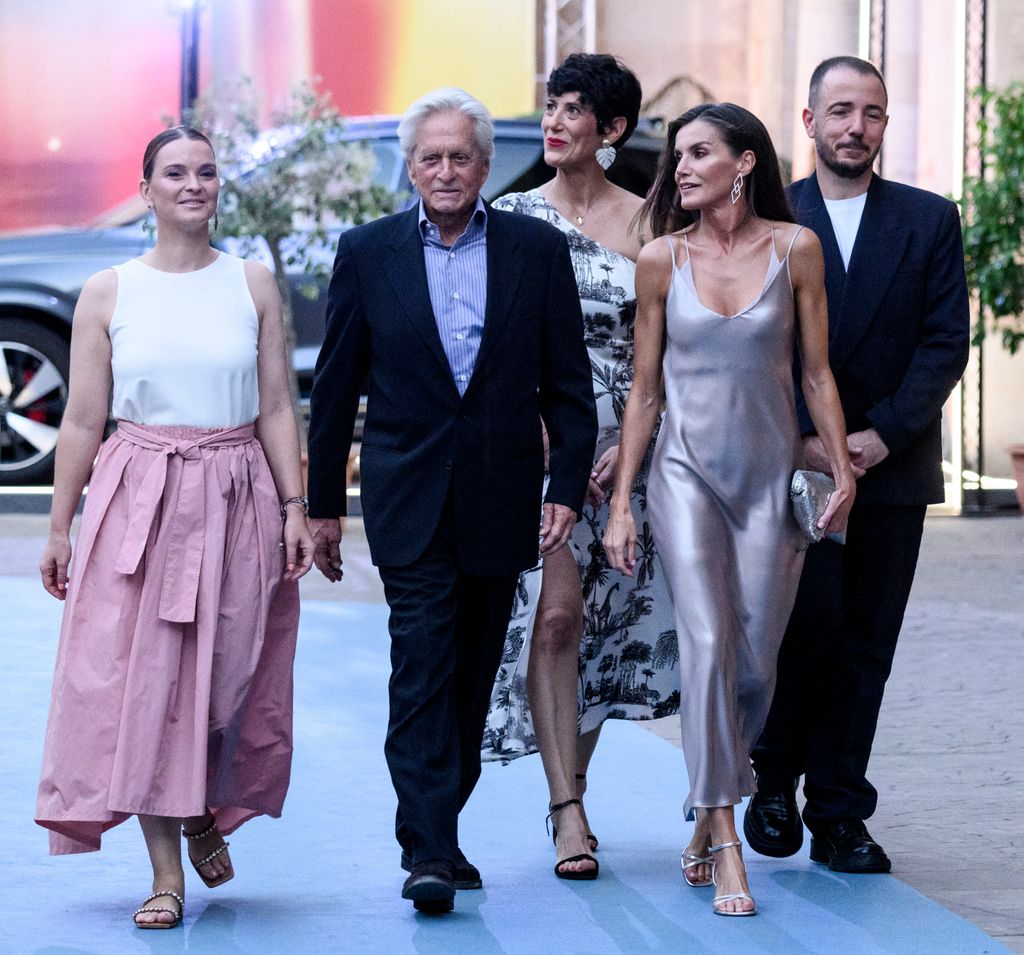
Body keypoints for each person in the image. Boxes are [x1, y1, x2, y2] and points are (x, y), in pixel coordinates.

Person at [306, 87, 596, 914]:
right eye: (429, 157)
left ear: (482, 165)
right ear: (410, 165)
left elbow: (569, 387)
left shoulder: (536, 252)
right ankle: (427, 847)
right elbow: (335, 390)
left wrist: (566, 489)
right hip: (408, 497)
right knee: (423, 666)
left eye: (460, 156)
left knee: (473, 677)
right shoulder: (368, 252)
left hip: (503, 497)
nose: (444, 170)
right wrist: (323, 506)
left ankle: (443, 816)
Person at [35, 126, 314, 930]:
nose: (194, 184)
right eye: (176, 173)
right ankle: (165, 873)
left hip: (236, 494)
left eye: (206, 172)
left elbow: (272, 408)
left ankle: (200, 807)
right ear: (148, 188)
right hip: (140, 496)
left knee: (231, 678)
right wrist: (61, 526)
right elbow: (84, 418)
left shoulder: (252, 284)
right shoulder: (109, 290)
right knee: (146, 686)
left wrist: (294, 507)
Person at [604, 102, 856, 916]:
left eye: (699, 152)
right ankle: (724, 838)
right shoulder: (659, 259)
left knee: (754, 665)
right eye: (678, 155)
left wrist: (842, 463)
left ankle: (709, 799)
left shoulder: (795, 249)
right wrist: (621, 502)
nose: (680, 167)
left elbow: (815, 374)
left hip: (768, 484)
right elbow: (645, 392)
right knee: (707, 645)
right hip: (683, 475)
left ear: (744, 163)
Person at [745, 56, 970, 874]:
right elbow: (747, 341)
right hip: (787, 465)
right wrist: (804, 437)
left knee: (866, 642)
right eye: (839, 110)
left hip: (889, 468)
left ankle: (839, 810)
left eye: (871, 113)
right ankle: (772, 780)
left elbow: (946, 343)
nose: (856, 127)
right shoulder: (768, 217)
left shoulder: (928, 219)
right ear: (808, 122)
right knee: (799, 629)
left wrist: (877, 436)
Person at [481, 53, 677, 880]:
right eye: (550, 108)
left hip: (630, 456)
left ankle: (575, 783)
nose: (554, 122)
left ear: (614, 129)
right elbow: (488, 347)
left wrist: (628, 451)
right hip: (540, 452)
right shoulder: (512, 219)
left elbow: (663, 359)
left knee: (601, 633)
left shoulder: (653, 227)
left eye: (571, 110)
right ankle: (568, 810)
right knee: (556, 618)